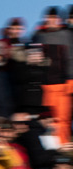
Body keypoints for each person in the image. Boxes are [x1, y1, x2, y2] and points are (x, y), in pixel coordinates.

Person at [32, 7, 72, 143]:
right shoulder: (39, 35)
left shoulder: (66, 34)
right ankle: (50, 148)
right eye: (49, 18)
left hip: (63, 84)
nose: (52, 21)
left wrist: (70, 80)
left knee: (63, 118)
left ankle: (63, 144)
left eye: (55, 18)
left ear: (59, 20)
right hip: (45, 85)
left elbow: (71, 57)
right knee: (47, 119)